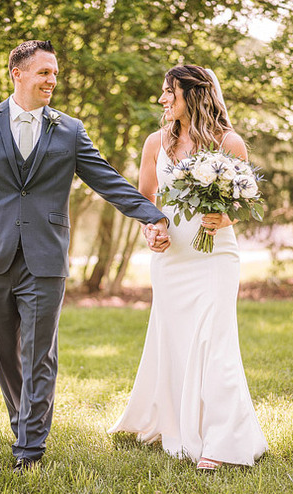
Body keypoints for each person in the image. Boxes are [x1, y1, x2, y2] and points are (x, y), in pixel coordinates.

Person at [0, 40, 171, 473]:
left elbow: (107, 180)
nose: (52, 80)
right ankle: (24, 423)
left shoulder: (69, 129)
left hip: (46, 258)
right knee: (3, 355)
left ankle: (30, 449)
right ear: (17, 73)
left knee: (39, 355)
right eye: (44, 73)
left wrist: (153, 215)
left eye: (54, 73)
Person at [108, 65, 267, 471]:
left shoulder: (229, 142)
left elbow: (242, 202)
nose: (163, 100)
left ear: (193, 95)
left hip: (215, 256)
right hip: (171, 258)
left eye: (170, 93)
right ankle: (174, 421)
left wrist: (226, 219)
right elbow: (147, 202)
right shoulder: (155, 143)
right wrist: (152, 231)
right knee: (175, 340)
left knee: (215, 342)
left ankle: (223, 441)